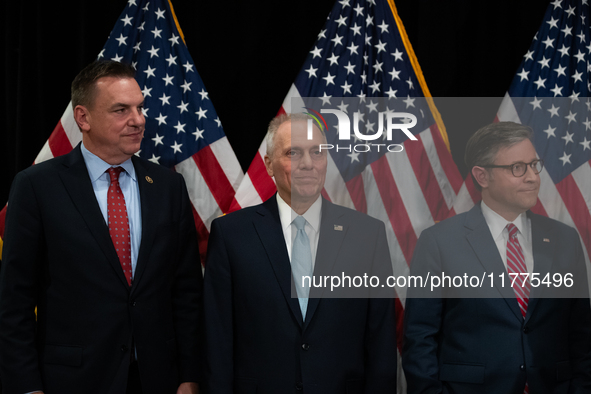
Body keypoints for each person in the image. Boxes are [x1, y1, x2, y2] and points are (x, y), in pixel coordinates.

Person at [0, 61, 202, 394]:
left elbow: (187, 293)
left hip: (158, 379)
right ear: (83, 117)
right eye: (121, 110)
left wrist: (190, 375)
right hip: (73, 381)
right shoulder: (37, 187)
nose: (138, 120)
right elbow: (15, 303)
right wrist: (26, 387)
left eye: (139, 108)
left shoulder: (168, 187)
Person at [203, 114, 398, 393]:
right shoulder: (231, 235)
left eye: (317, 152)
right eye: (293, 152)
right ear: (269, 165)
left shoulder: (368, 235)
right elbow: (217, 340)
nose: (308, 163)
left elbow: (381, 341)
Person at [402, 121, 591, 393]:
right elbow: (419, 339)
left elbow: (581, 334)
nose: (532, 177)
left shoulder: (564, 239)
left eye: (534, 165)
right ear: (482, 176)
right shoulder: (439, 242)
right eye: (517, 168)